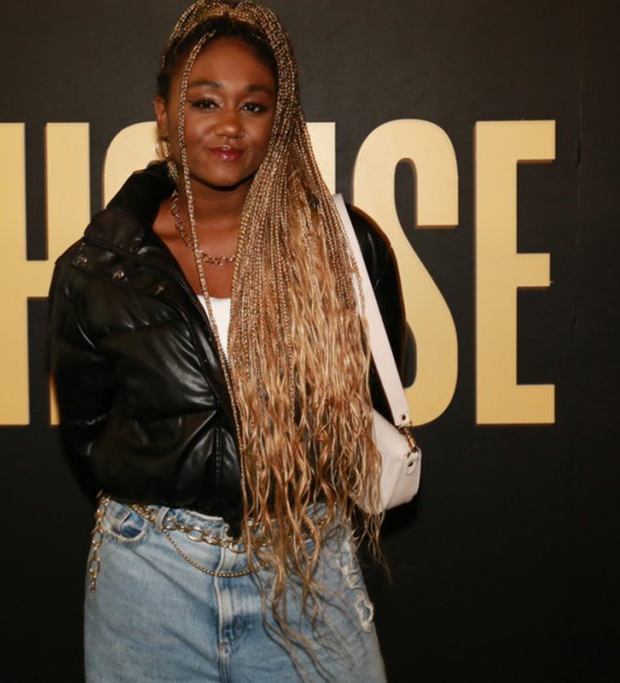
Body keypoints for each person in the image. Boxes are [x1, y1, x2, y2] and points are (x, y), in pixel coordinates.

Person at [47, 1, 408, 680]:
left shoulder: (342, 247)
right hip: (149, 577)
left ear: (280, 118)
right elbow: (89, 433)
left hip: (306, 566)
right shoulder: (98, 268)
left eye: (255, 105)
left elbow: (376, 393)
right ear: (163, 114)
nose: (230, 126)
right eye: (205, 101)